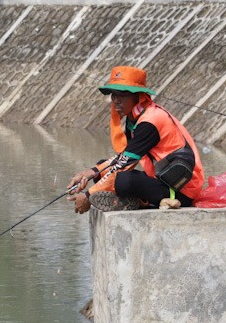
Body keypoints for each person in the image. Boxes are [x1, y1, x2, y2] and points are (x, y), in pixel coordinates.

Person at [67, 66, 205, 213]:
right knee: (102, 169)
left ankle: (137, 201)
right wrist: (90, 172)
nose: (116, 100)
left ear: (138, 96)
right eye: (114, 95)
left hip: (180, 190)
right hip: (161, 180)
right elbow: (125, 157)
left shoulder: (151, 121)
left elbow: (126, 163)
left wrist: (88, 195)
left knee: (124, 180)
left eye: (123, 94)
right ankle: (135, 201)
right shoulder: (134, 119)